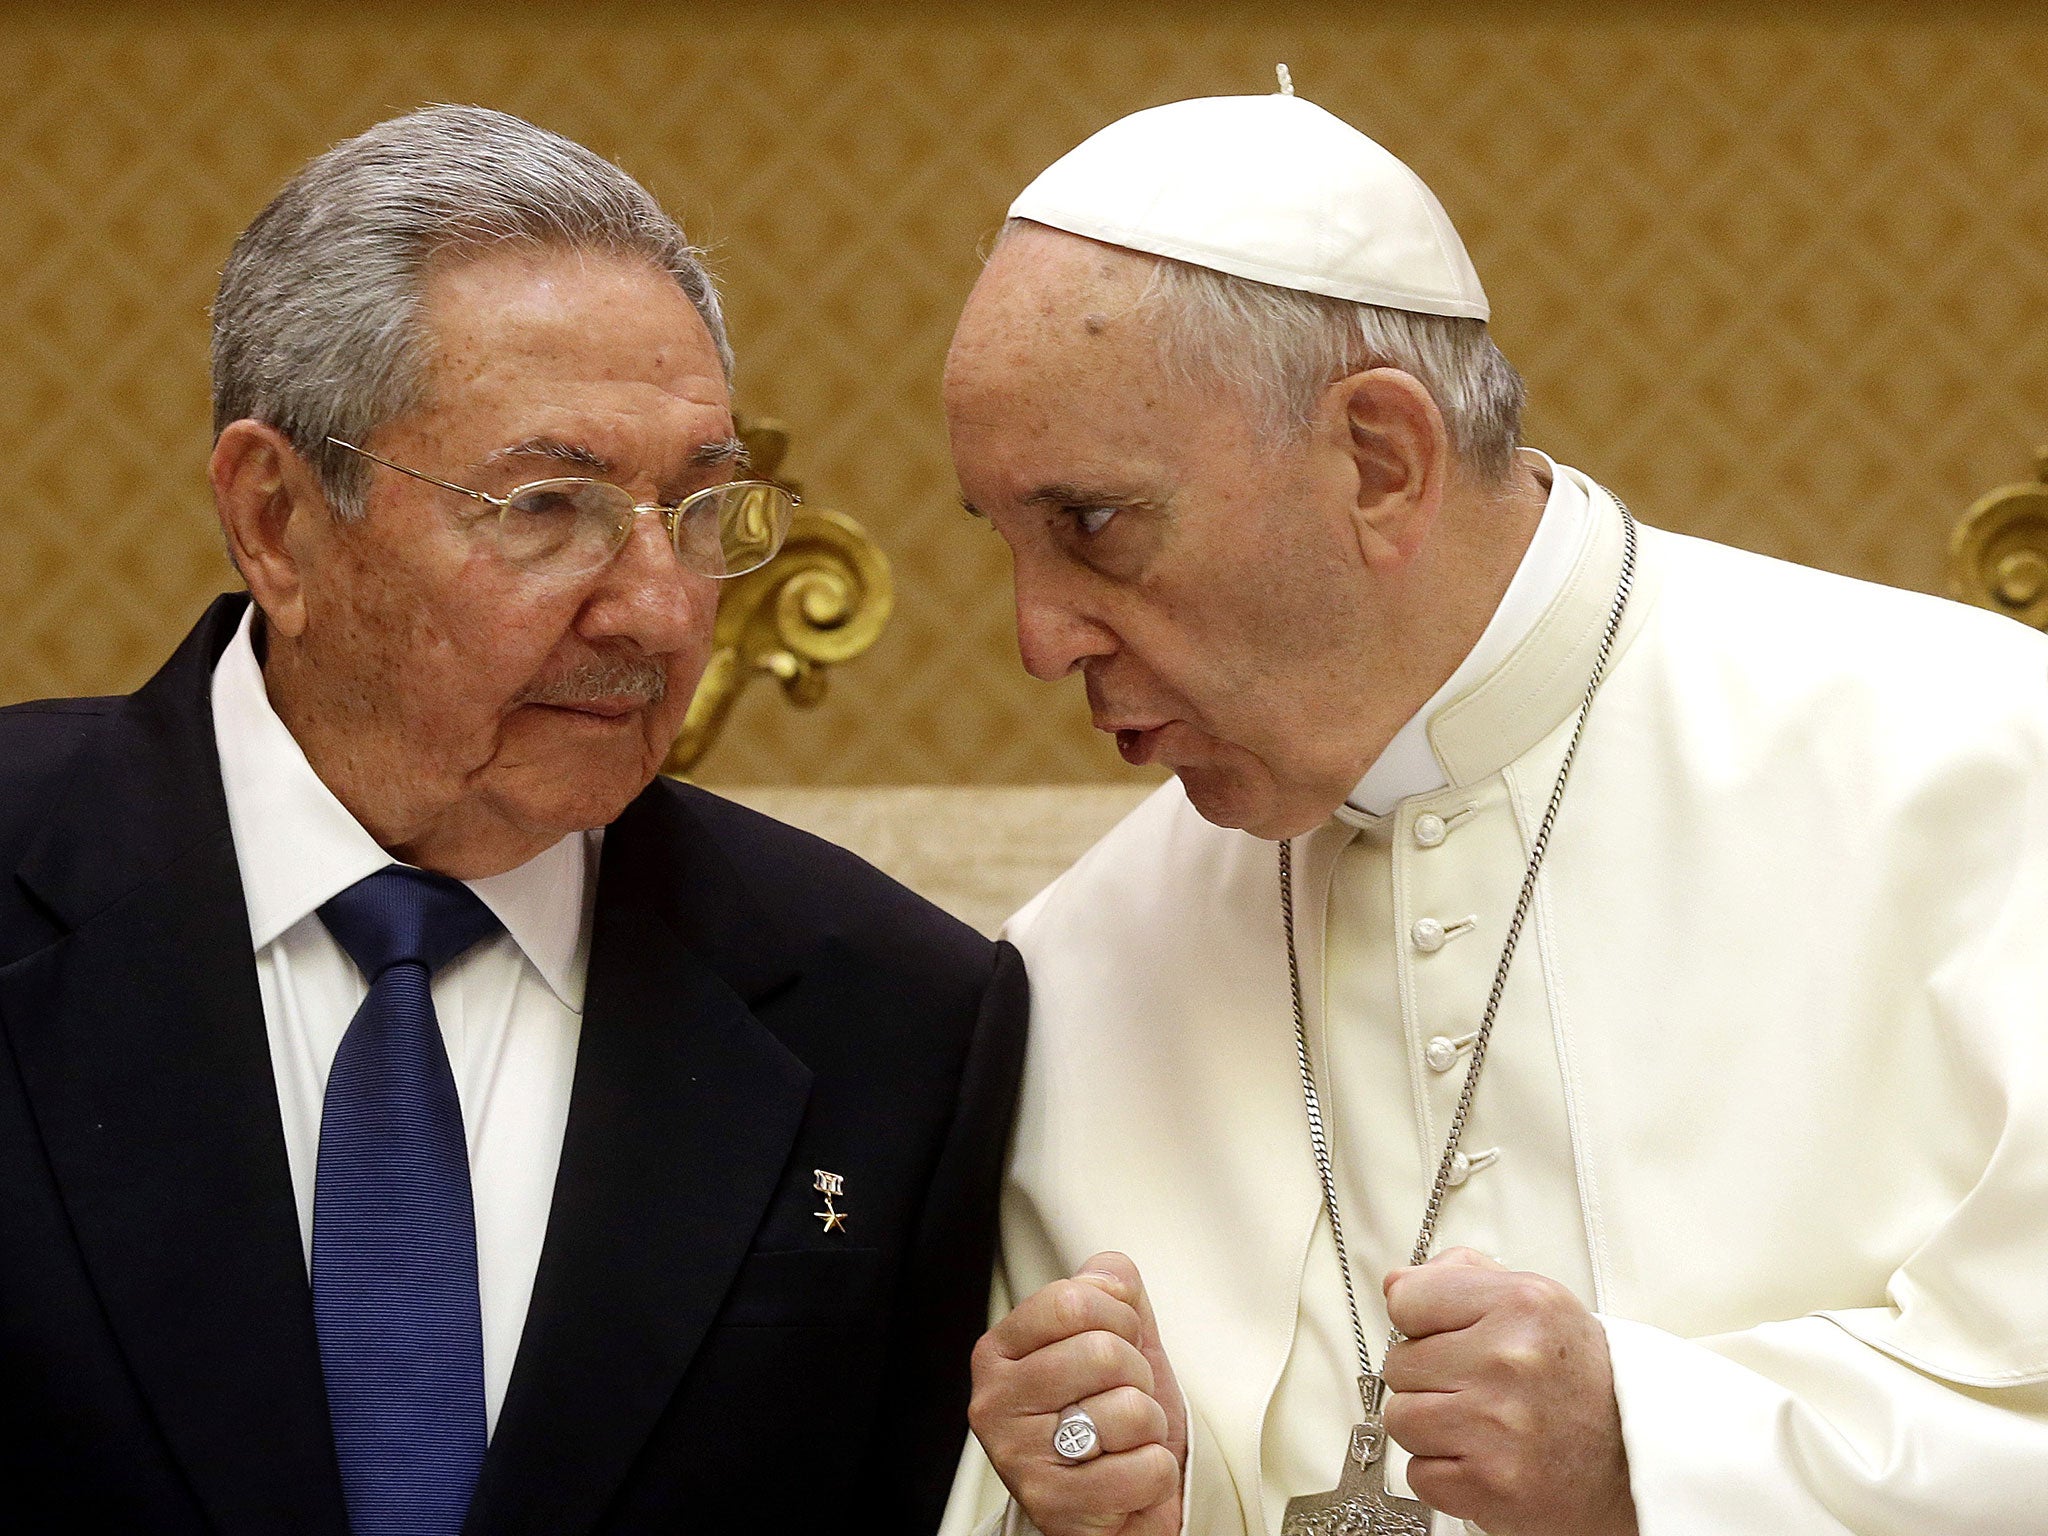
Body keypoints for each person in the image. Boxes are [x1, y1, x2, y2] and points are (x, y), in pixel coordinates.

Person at [937, 81, 2048, 1536]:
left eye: (1091, 525)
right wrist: (1124, 1506)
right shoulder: (1081, 961)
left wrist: (1658, 1462)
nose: (1037, 637)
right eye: (1007, 540)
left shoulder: (1983, 763)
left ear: (1381, 462)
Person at [0, 105, 1026, 1535]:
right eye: (551, 506)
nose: (666, 611)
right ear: (279, 521)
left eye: (703, 508)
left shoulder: (893, 1017)